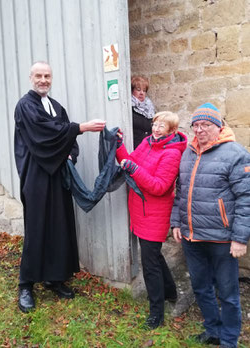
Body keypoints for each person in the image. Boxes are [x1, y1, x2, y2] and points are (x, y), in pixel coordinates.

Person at [14, 61, 106, 313]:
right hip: (36, 177)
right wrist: (81, 127)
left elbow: (67, 139)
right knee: (37, 227)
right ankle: (26, 285)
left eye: (47, 76)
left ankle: (54, 278)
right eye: (39, 76)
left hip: (57, 176)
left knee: (59, 225)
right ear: (30, 77)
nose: (43, 80)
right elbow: (47, 134)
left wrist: (71, 155)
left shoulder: (56, 107)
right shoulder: (26, 105)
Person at [171, 103, 250, 348]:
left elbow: (246, 198)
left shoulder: (235, 153)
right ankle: (213, 330)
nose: (200, 130)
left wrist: (240, 238)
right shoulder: (188, 152)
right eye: (196, 125)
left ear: (218, 126)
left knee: (228, 294)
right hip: (192, 237)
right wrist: (176, 222)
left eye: (205, 125)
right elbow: (180, 191)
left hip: (222, 239)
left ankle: (228, 341)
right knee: (201, 288)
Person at [116, 111, 187, 329]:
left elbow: (159, 186)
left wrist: (135, 170)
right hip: (139, 210)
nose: (155, 129)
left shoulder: (173, 153)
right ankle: (170, 291)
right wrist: (118, 145)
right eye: (155, 124)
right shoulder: (147, 142)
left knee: (149, 264)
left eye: (161, 126)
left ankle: (156, 313)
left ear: (172, 131)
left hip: (155, 214)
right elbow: (129, 161)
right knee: (153, 255)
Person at [131, 76, 155, 149]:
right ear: (132, 91)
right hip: (135, 148)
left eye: (144, 90)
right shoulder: (129, 107)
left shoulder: (149, 107)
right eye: (138, 90)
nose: (141, 93)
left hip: (150, 147)